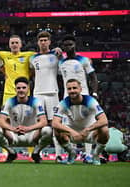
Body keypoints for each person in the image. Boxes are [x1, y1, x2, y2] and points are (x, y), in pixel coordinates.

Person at [0, 77, 52, 163]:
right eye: (18, 88)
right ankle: (11, 152)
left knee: (48, 130)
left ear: (28, 89)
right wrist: (13, 129)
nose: (21, 90)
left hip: (32, 136)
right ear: (15, 89)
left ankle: (36, 152)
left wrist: (28, 128)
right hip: (14, 135)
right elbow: (1, 121)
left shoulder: (35, 101)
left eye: (24, 88)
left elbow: (44, 121)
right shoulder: (10, 101)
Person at [59, 34, 99, 162]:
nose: (68, 47)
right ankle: (72, 153)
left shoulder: (84, 60)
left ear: (75, 45)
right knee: (69, 125)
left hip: (84, 97)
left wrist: (94, 93)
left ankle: (88, 155)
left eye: (70, 44)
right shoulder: (61, 62)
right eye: (65, 45)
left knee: (87, 123)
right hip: (67, 99)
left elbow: (93, 78)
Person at [52, 79, 109, 165]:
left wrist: (87, 130)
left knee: (105, 130)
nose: (72, 91)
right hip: (72, 134)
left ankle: (96, 155)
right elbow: (55, 123)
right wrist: (72, 132)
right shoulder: (63, 103)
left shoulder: (90, 101)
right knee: (56, 130)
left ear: (80, 89)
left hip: (89, 133)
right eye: (69, 89)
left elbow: (104, 120)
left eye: (74, 88)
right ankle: (71, 153)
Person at [29, 31, 63, 162]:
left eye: (45, 40)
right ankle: (36, 153)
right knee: (38, 125)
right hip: (38, 94)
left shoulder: (56, 55)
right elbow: (31, 73)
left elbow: (62, 69)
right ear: (38, 42)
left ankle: (59, 155)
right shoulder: (33, 58)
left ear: (49, 42)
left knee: (55, 124)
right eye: (41, 40)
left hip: (53, 93)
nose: (43, 42)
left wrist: (61, 55)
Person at [0, 35, 36, 105]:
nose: (14, 45)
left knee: (24, 115)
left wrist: (56, 50)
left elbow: (43, 53)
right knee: (6, 115)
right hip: (8, 92)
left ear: (20, 45)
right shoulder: (5, 55)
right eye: (12, 43)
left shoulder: (28, 55)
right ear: (9, 45)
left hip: (24, 92)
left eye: (17, 43)